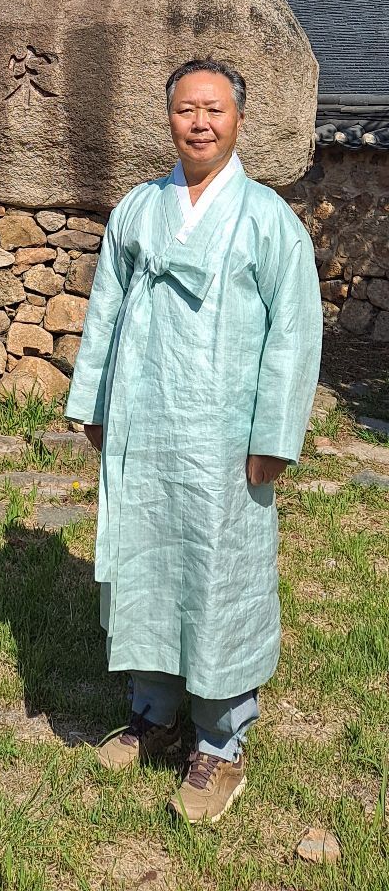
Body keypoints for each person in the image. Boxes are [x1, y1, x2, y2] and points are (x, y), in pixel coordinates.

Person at [65, 57, 322, 824]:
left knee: (219, 577)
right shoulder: (139, 209)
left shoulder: (268, 221)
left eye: (213, 109)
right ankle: (153, 710)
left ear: (238, 118)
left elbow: (294, 335)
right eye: (186, 109)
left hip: (223, 438)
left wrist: (274, 436)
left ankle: (221, 741)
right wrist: (96, 402)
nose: (199, 122)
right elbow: (105, 309)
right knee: (146, 561)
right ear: (169, 118)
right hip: (145, 426)